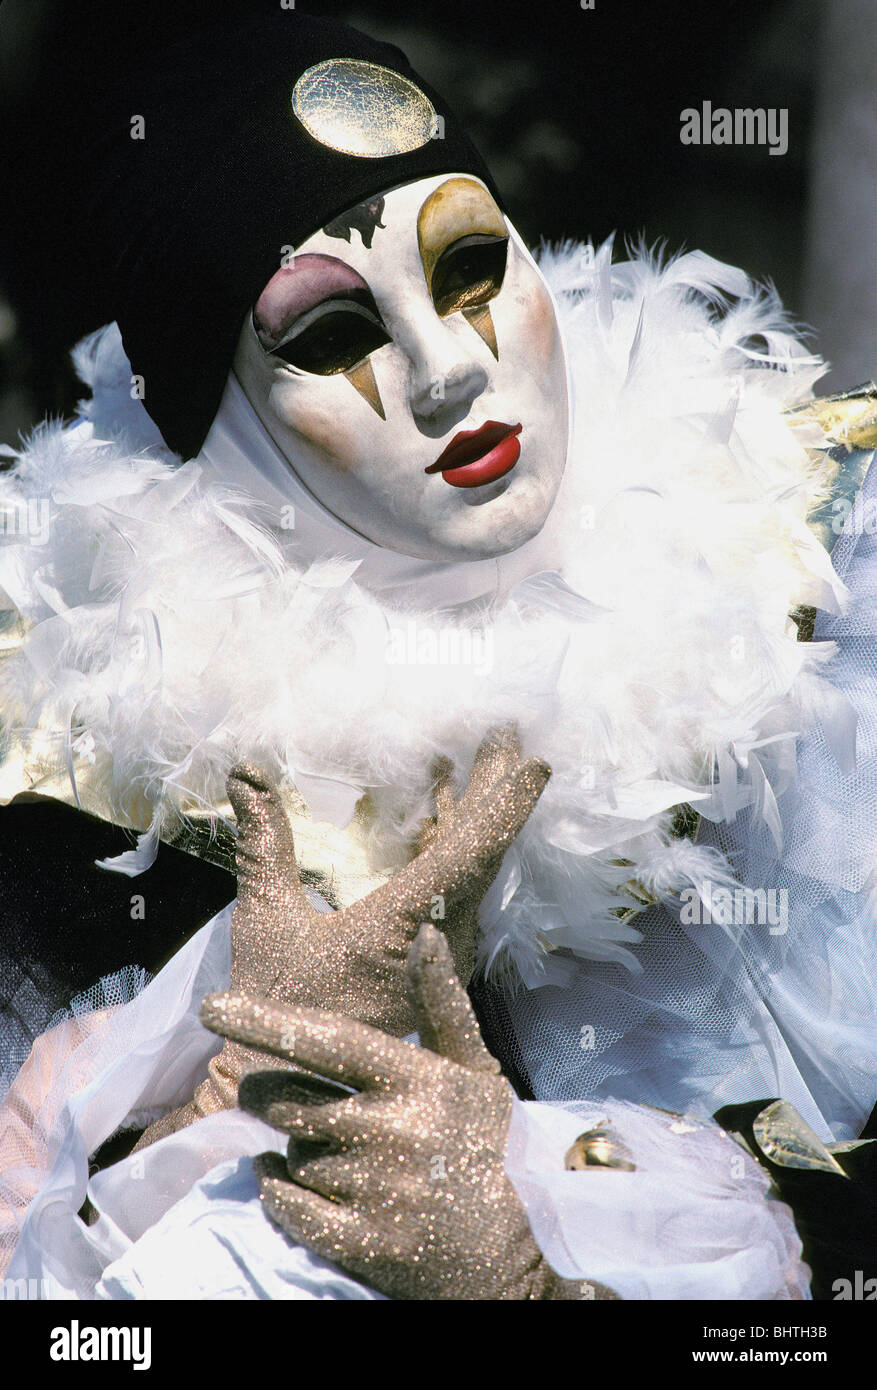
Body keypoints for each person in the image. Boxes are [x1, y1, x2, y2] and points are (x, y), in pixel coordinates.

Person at [0, 4, 874, 1300]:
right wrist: (224, 1098)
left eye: (469, 265)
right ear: (224, 425)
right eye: (332, 334)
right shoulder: (99, 800)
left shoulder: (822, 589)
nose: (448, 369)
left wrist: (551, 1266)